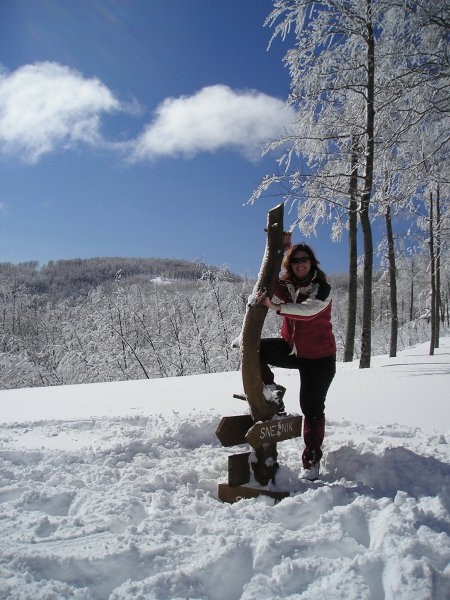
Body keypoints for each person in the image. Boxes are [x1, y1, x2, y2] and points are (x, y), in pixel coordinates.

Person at [258, 243, 336, 481]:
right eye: (295, 260)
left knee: (311, 408)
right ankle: (272, 394)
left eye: (305, 259)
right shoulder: (288, 285)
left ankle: (311, 460)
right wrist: (282, 248)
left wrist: (277, 307)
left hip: (319, 358)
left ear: (312, 262)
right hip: (294, 351)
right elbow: (269, 279)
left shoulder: (322, 288)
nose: (300, 263)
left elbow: (308, 311)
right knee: (256, 348)